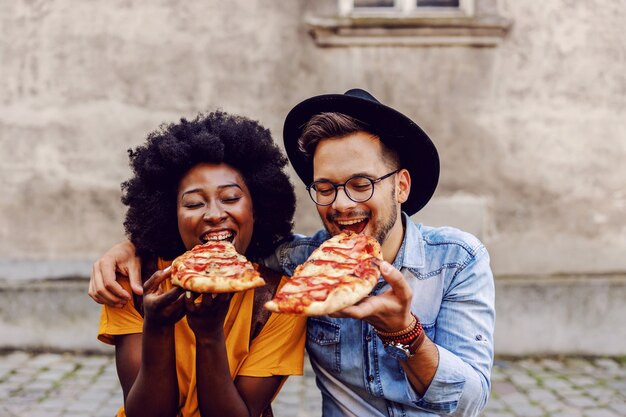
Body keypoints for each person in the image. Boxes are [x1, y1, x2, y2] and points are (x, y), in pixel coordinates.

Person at [90, 89, 495, 417]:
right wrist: (131, 245)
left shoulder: (457, 260)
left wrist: (403, 332)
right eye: (325, 187)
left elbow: (470, 403)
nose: (341, 203)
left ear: (401, 186)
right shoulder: (298, 266)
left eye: (361, 183)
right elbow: (221, 250)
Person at [96, 111, 307, 417]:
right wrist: (157, 327)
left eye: (230, 198)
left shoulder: (284, 300)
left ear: (257, 209)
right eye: (194, 203)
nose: (213, 214)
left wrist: (210, 335)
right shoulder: (133, 281)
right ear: (172, 214)